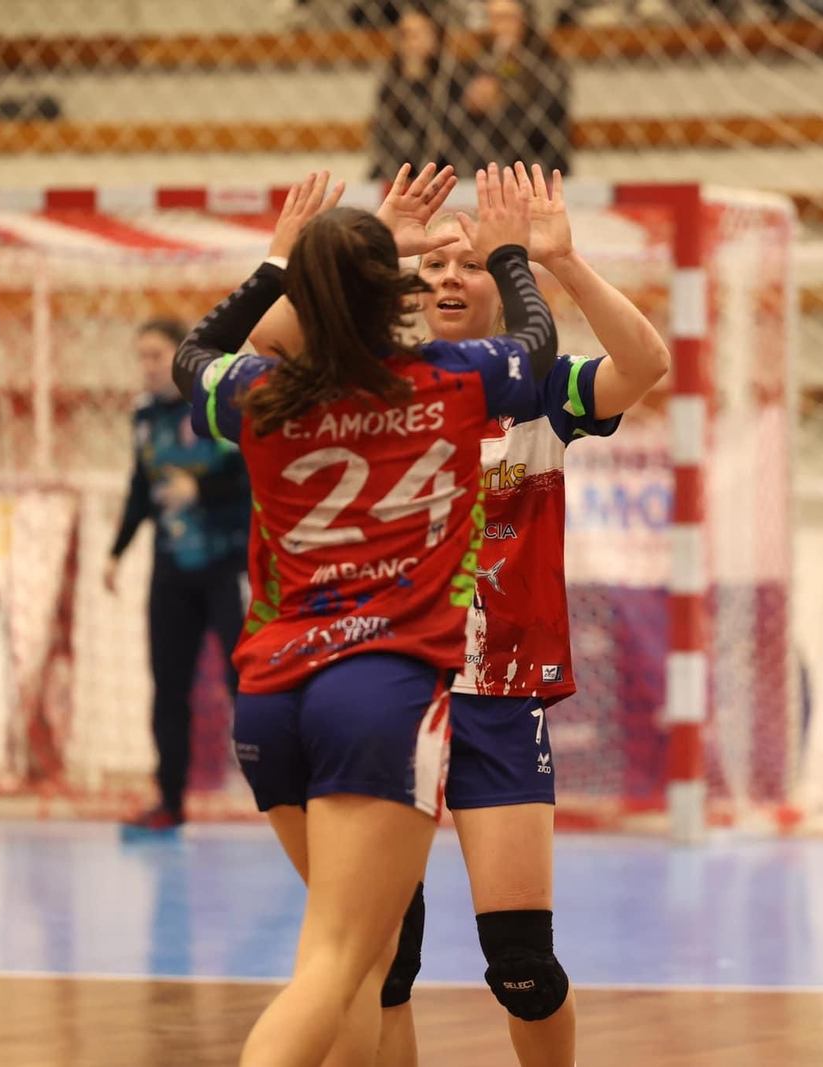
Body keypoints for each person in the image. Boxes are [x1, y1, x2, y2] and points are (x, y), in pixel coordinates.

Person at [248, 162, 670, 1067]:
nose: (448, 277)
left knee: (523, 964)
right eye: (430, 265)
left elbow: (646, 364)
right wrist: (372, 249)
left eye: (469, 263)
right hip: (385, 689)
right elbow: (262, 352)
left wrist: (561, 261)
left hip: (496, 698)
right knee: (382, 962)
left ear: (498, 280)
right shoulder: (369, 390)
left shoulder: (538, 391)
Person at [173, 164, 558, 1067]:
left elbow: (201, 348)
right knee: (341, 959)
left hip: (269, 694)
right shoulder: (453, 379)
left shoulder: (260, 394)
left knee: (365, 957)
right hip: (377, 691)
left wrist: (280, 262)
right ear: (395, 292)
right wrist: (507, 253)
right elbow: (536, 343)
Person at [105, 316, 252, 838]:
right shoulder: (144, 417)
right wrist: (116, 551)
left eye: (154, 356)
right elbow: (141, 488)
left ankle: (283, 791)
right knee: (167, 685)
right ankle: (169, 799)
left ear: (178, 359)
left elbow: (249, 482)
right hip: (171, 568)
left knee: (248, 682)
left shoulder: (215, 410)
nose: (145, 367)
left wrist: (201, 494)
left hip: (226, 563)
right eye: (140, 356)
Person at [448, 0, 570, 179]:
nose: (501, 26)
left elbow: (546, 118)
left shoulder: (547, 65)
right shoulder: (477, 65)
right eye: (494, 19)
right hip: (485, 163)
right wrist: (470, 102)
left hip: (536, 164)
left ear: (524, 21)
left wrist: (501, 100)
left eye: (507, 18)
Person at [367, 7, 460, 179]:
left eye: (418, 34)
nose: (411, 42)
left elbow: (444, 131)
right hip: (398, 166)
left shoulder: (449, 82)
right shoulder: (390, 84)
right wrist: (411, 80)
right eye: (405, 35)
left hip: (444, 165)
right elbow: (387, 136)